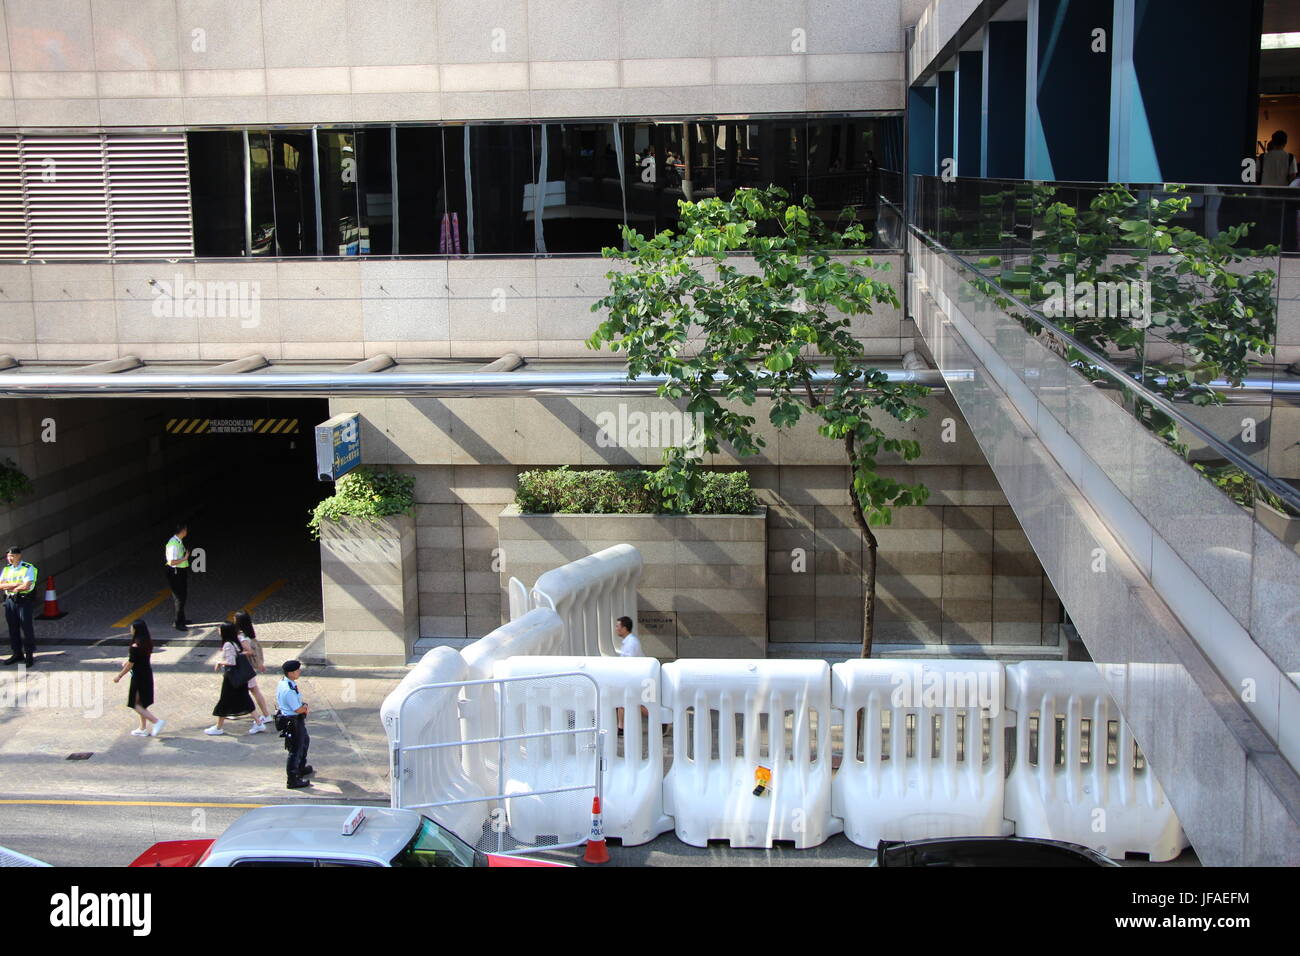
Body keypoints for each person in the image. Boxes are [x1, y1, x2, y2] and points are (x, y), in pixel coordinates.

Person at [113, 620, 164, 737]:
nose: (130, 630)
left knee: (134, 703)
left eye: (131, 628)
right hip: (146, 673)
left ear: (135, 630)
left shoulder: (135, 646)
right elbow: (135, 660)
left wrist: (119, 676)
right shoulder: (146, 642)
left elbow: (131, 663)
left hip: (138, 676)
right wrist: (127, 663)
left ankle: (156, 721)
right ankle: (142, 728)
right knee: (141, 702)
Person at [205, 622, 254, 736]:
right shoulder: (235, 642)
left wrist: (219, 662)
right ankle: (258, 722)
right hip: (240, 677)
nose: (218, 631)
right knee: (244, 698)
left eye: (220, 629)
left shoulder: (228, 644)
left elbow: (231, 662)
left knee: (224, 701)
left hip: (231, 678)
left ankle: (218, 727)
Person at [233, 610, 271, 734]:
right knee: (254, 690)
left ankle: (258, 716)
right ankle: (265, 714)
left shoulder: (241, 636)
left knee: (244, 692)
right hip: (249, 668)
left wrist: (237, 654)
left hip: (245, 669)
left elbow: (249, 651)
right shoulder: (249, 634)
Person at [276, 659, 312, 789]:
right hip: (293, 721)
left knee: (304, 742)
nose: (299, 672)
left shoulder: (285, 682)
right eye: (297, 670)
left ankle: (300, 768)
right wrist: (305, 708)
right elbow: (297, 709)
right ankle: (292, 779)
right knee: (295, 750)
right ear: (290, 673)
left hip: (293, 719)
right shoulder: (289, 690)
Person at [0, 545, 38, 667]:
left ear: (19, 556)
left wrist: (10, 585)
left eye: (12, 556)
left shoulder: (28, 567)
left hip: (23, 600)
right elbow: (1, 585)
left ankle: (29, 654)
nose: (9, 558)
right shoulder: (7, 569)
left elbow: (26, 586)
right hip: (10, 600)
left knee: (26, 628)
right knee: (13, 628)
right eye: (8, 556)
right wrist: (17, 584)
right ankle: (17, 653)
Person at [164, 523, 191, 632]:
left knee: (183, 595)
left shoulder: (178, 541)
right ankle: (178, 622)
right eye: (186, 530)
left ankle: (182, 619)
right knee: (179, 597)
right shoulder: (173, 544)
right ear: (183, 531)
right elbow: (171, 561)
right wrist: (184, 558)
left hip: (180, 571)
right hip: (175, 572)